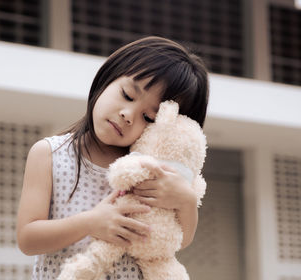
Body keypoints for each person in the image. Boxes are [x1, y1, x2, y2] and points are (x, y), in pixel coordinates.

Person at [16, 36, 209, 280]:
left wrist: (187, 202)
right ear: (107, 78)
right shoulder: (50, 154)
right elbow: (28, 238)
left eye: (149, 118)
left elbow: (176, 241)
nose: (128, 115)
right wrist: (90, 223)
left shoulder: (153, 171)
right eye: (128, 95)